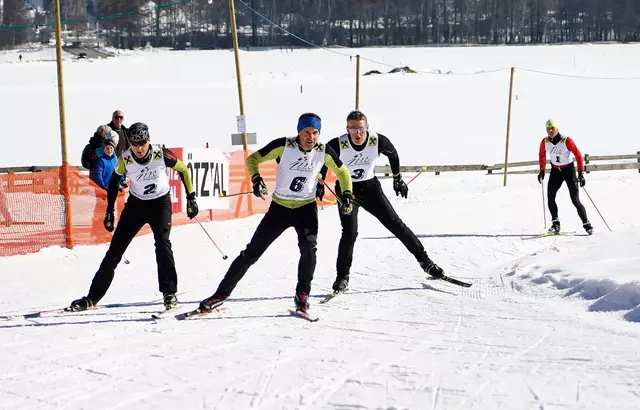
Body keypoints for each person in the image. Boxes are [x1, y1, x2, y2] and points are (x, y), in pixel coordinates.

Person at [198, 113, 353, 313]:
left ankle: (302, 294)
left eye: (315, 133)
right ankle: (221, 294)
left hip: (306, 208)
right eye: (307, 132)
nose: (311, 137)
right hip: (280, 208)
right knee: (252, 252)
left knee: (309, 250)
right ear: (299, 131)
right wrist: (256, 179)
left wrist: (347, 193)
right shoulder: (283, 145)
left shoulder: (324, 151)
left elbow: (343, 173)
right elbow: (253, 160)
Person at [68, 122, 200, 312]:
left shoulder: (160, 153)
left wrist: (191, 198)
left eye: (142, 143)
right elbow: (114, 182)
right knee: (115, 250)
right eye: (134, 143)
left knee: (163, 244)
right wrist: (109, 212)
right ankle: (92, 298)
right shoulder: (126, 158)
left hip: (160, 203)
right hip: (137, 205)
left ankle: (169, 293)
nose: (138, 148)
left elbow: (184, 170)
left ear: (148, 141)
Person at [318, 110, 445, 294]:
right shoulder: (339, 143)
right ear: (347, 130)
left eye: (360, 129)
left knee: (396, 224)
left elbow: (393, 154)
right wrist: (320, 180)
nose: (358, 134)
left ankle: (426, 262)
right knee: (350, 233)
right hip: (347, 191)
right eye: (353, 129)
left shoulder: (377, 141)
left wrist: (397, 178)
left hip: (370, 189)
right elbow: (323, 160)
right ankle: (342, 278)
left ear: (367, 127)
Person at [538, 119, 593, 235]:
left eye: (552, 128)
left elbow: (578, 155)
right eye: (548, 129)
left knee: (575, 200)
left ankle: (586, 224)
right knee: (550, 198)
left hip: (568, 170)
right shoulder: (545, 141)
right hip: (555, 171)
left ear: (557, 129)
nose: (550, 131)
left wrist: (581, 173)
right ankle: (555, 223)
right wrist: (542, 170)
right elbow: (542, 154)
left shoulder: (566, 140)